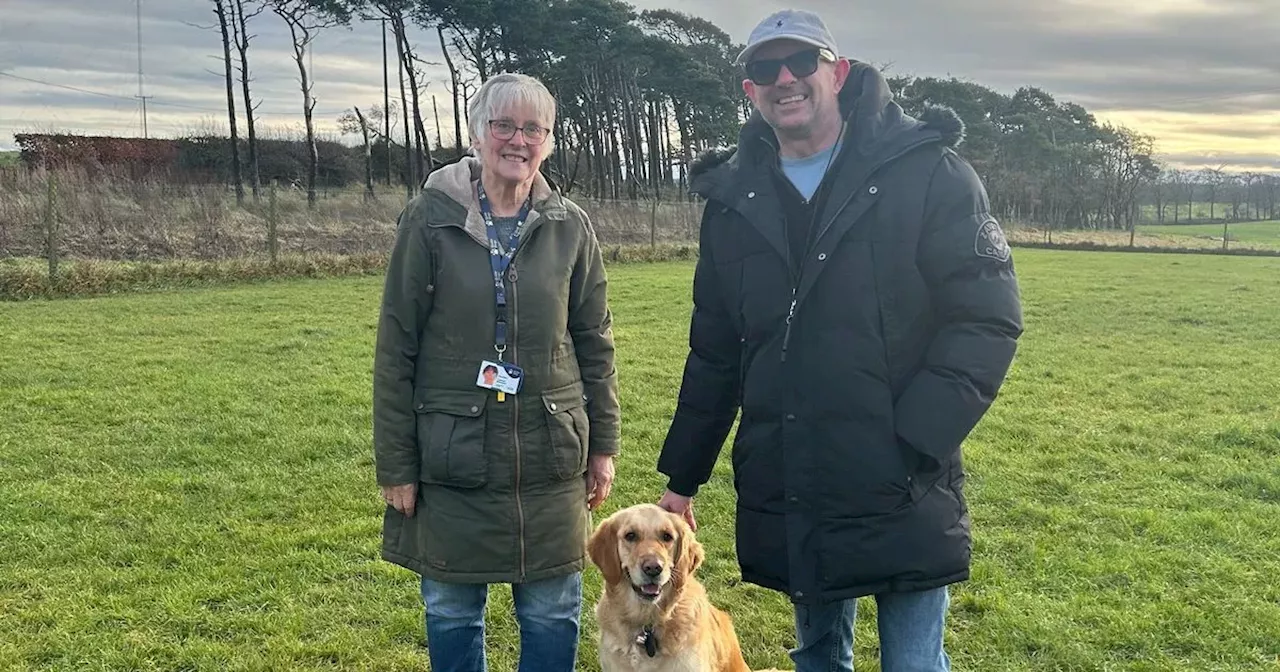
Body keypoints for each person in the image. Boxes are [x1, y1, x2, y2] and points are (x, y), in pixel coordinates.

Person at [654, 8, 1023, 672]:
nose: (785, 79)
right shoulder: (735, 201)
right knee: (818, 657)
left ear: (839, 72)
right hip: (797, 477)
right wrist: (683, 477)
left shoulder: (928, 172)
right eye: (766, 69)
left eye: (803, 63)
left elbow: (987, 318)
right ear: (749, 90)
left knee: (913, 663)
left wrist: (913, 438)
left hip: (902, 483)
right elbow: (716, 349)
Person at [372, 72, 621, 672]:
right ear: (477, 134)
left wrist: (604, 445)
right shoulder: (428, 220)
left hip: (552, 456)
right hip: (454, 457)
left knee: (553, 614)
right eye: (503, 125)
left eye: (533, 128)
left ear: (550, 141)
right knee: (453, 611)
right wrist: (397, 465)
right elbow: (395, 349)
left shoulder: (571, 226)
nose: (518, 139)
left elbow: (595, 342)